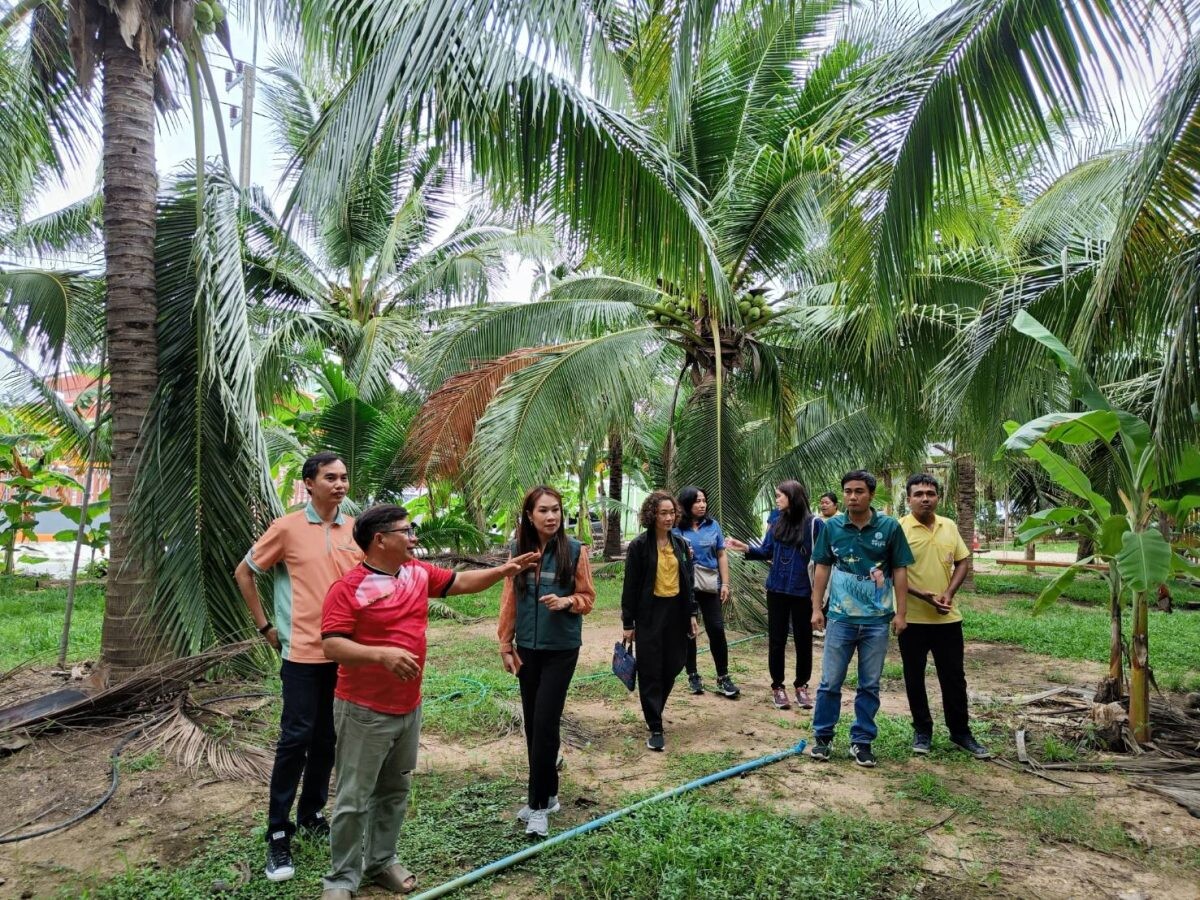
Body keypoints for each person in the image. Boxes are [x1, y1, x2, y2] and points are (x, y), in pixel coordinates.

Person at [319, 505, 539, 899]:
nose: (414, 537)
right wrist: (380, 655)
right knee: (353, 800)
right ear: (380, 539)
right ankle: (341, 879)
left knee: (395, 791)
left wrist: (504, 571)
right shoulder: (349, 587)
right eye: (406, 531)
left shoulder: (416, 574)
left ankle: (381, 861)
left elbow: (461, 581)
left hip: (409, 705)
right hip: (363, 710)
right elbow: (332, 644)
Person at [234, 451, 362, 883]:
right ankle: (277, 831)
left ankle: (311, 814)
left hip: (345, 652)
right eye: (331, 477)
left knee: (329, 737)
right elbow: (244, 573)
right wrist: (266, 627)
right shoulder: (286, 528)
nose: (340, 484)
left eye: (344, 477)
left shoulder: (355, 527)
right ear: (309, 483)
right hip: (302, 653)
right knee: (296, 737)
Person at [498, 486, 597, 837]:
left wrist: (567, 602)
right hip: (527, 648)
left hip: (561, 649)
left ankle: (538, 806)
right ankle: (550, 794)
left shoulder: (574, 551)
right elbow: (510, 600)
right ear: (529, 515)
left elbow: (588, 598)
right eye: (543, 510)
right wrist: (505, 645)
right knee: (535, 724)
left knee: (544, 722)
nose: (551, 516)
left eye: (556, 510)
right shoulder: (517, 552)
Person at [809, 470, 914, 768]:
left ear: (870, 494)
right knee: (830, 681)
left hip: (877, 621)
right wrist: (817, 608)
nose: (852, 497)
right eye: (847, 491)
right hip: (840, 619)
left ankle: (862, 740)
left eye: (859, 491)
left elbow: (900, 570)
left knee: (869, 684)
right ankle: (823, 738)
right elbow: (822, 567)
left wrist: (901, 613)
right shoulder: (832, 527)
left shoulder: (890, 527)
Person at [899, 474, 991, 759]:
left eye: (930, 493)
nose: (925, 498)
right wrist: (922, 595)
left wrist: (949, 594)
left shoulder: (949, 526)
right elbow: (893, 571)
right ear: (909, 498)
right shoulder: (898, 528)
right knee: (914, 677)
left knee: (953, 677)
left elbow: (963, 561)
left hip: (948, 619)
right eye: (919, 494)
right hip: (912, 619)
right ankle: (922, 731)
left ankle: (960, 732)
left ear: (938, 497)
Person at [727, 481, 824, 710]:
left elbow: (822, 560)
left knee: (803, 640)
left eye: (780, 496)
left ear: (793, 497)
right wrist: (746, 548)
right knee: (776, 640)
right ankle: (777, 687)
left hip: (803, 591)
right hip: (777, 589)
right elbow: (767, 550)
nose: (777, 500)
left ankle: (801, 685)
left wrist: (819, 599)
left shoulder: (814, 524)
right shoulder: (776, 520)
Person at [621, 491, 698, 752]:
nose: (668, 517)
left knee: (675, 663)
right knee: (651, 669)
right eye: (663, 513)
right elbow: (630, 586)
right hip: (650, 614)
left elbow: (688, 581)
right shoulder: (639, 546)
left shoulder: (680, 544)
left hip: (676, 613)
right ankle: (655, 725)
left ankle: (655, 709)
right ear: (652, 515)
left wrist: (692, 614)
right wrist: (628, 622)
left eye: (671, 513)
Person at [674, 486, 740, 699]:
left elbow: (721, 555)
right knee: (688, 632)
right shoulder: (676, 529)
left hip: (710, 585)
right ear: (686, 505)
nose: (702, 504)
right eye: (696, 501)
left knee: (716, 629)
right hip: (684, 587)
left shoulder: (713, 526)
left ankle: (723, 677)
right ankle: (692, 674)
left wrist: (726, 584)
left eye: (704, 500)